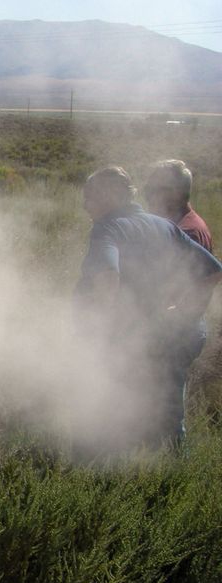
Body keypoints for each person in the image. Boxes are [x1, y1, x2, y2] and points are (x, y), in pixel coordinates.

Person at [73, 165, 222, 453]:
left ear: (107, 197)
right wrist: (183, 311)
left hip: (141, 335)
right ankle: (162, 470)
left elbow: (107, 277)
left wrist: (103, 328)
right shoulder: (162, 225)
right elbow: (212, 272)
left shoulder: (108, 228)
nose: (85, 204)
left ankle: (122, 473)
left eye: (89, 196)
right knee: (163, 411)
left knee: (121, 406)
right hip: (170, 331)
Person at [143, 159, 213, 252]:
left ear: (177, 194)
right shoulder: (182, 225)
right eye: (147, 189)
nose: (147, 196)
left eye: (154, 189)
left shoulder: (185, 234)